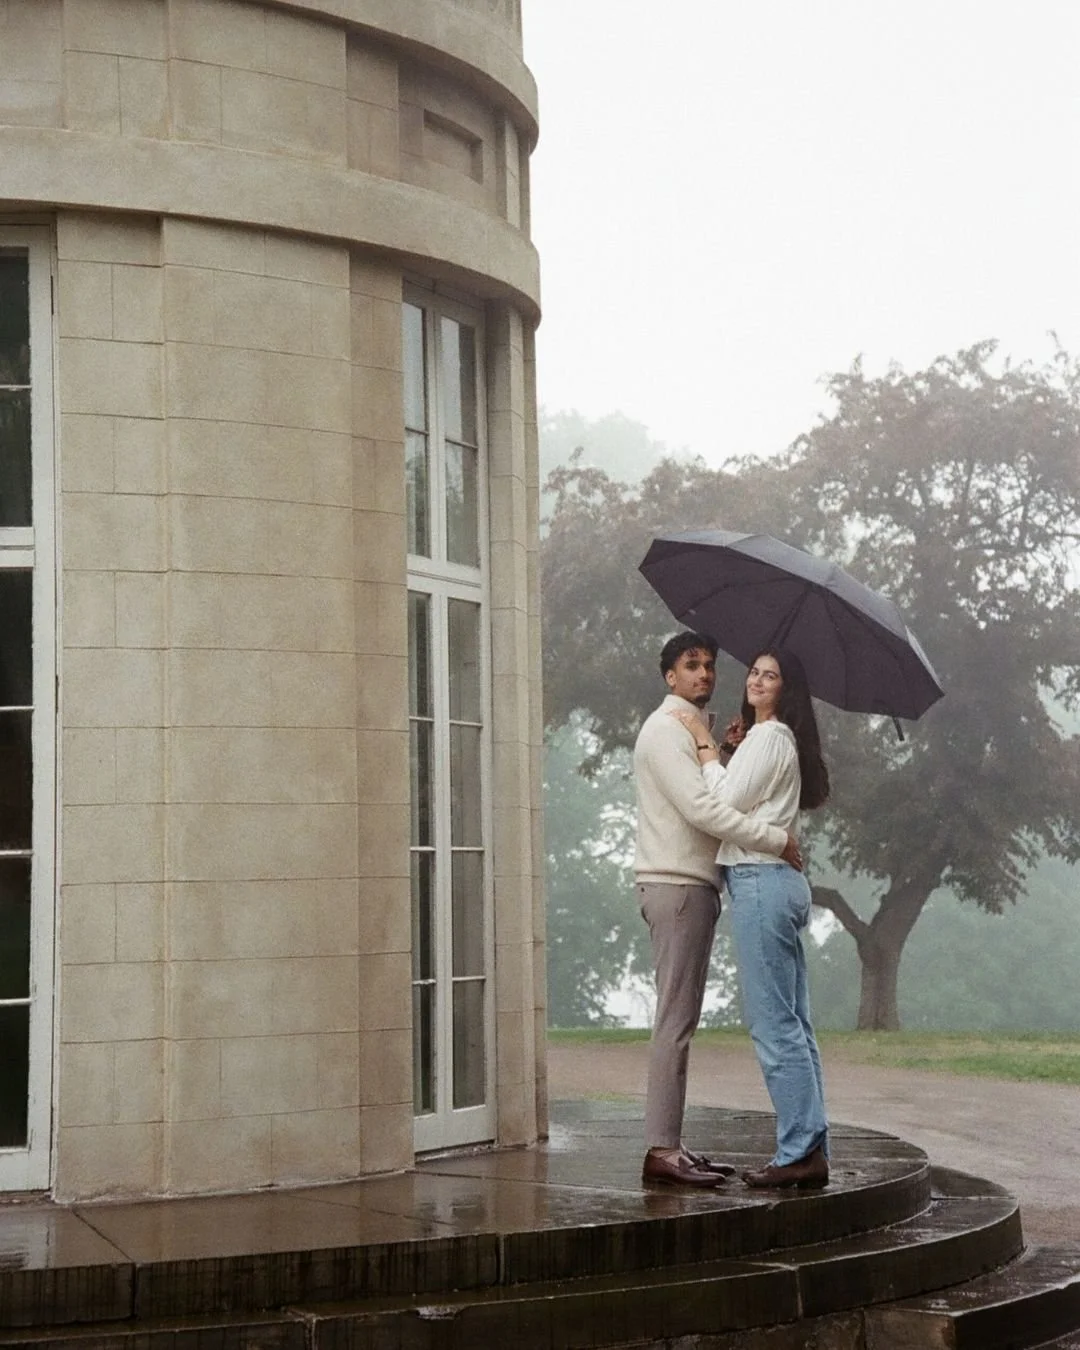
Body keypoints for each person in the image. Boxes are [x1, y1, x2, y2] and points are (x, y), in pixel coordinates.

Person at [635, 631, 803, 1188]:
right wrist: (775, 839)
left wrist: (721, 752)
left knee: (681, 1019)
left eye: (709, 665)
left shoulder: (692, 729)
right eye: (691, 665)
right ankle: (662, 1149)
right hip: (678, 885)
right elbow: (705, 809)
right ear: (669, 676)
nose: (704, 674)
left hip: (692, 885)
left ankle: (672, 1142)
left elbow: (712, 792)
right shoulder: (667, 729)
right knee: (675, 1022)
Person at [673, 647, 831, 1189]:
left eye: (773, 675)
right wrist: (735, 749)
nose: (760, 680)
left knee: (773, 1025)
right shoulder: (771, 739)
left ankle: (798, 1152)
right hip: (776, 882)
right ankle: (810, 1147)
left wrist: (707, 750)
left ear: (788, 689)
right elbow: (746, 797)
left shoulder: (770, 736)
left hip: (761, 881)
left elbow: (725, 807)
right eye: (756, 673)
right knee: (796, 1025)